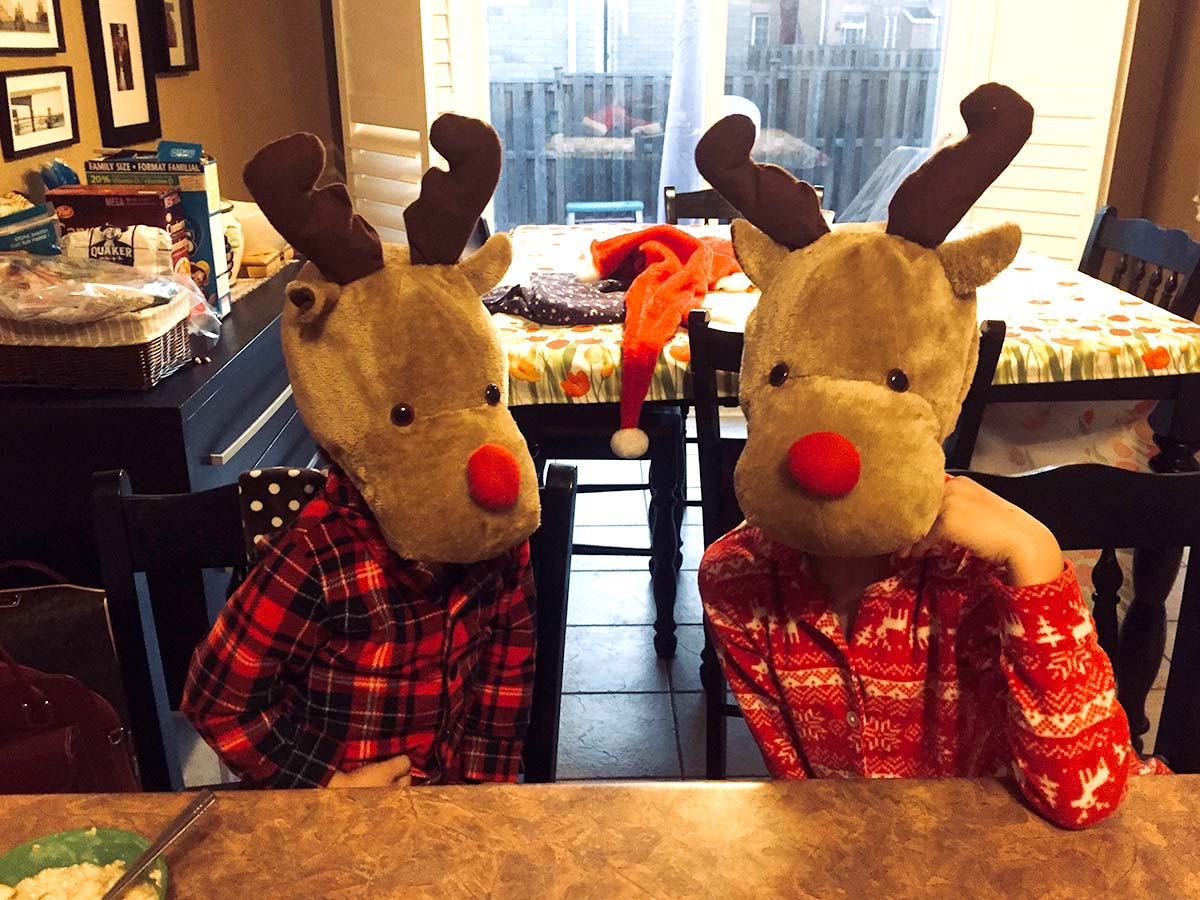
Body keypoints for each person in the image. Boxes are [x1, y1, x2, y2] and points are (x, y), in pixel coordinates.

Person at [700, 476, 1167, 829]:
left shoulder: (980, 563)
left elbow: (1080, 799)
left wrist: (1034, 551)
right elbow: (809, 794)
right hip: (893, 849)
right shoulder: (738, 576)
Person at [182, 466, 535, 789]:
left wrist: (484, 783)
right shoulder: (313, 557)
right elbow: (216, 702)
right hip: (328, 806)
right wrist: (328, 783)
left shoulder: (499, 540)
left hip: (446, 797)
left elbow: (508, 668)